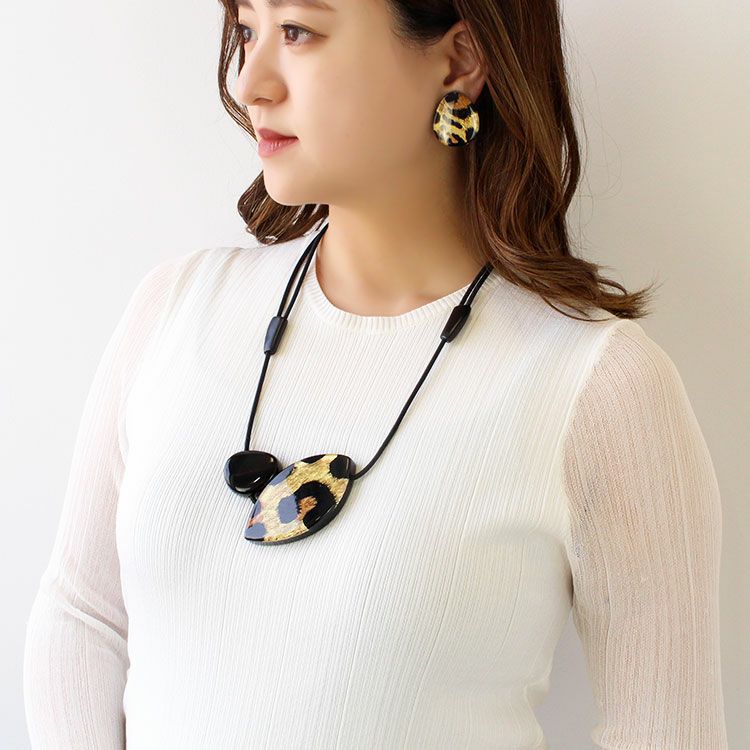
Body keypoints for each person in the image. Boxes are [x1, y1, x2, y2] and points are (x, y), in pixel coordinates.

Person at [23, 0, 728, 747]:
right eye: (246, 30)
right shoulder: (176, 311)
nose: (250, 82)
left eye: (298, 31)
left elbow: (667, 732)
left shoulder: (598, 387)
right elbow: (83, 615)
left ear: (458, 61)